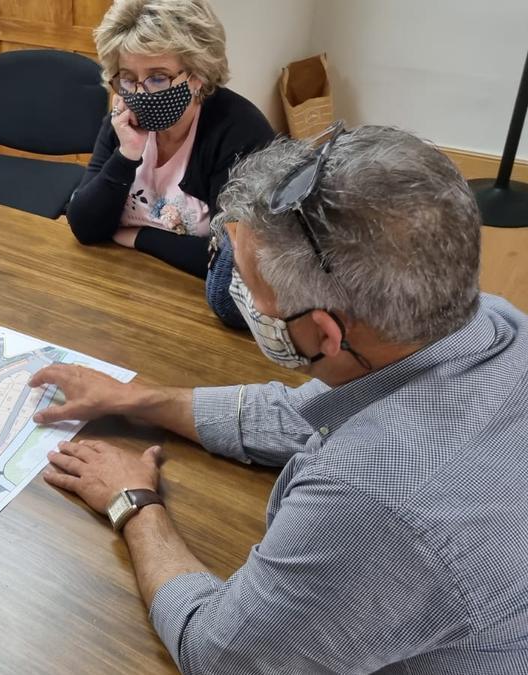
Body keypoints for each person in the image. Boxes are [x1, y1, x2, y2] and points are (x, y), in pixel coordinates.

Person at [32, 126, 528, 672]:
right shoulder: (486, 318)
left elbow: (220, 654)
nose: (242, 299)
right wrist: (135, 399)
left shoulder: (370, 500)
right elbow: (301, 414)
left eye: (249, 289)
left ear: (325, 334)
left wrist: (135, 503)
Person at [67, 0, 273, 328]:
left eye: (158, 78)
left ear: (198, 76)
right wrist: (126, 155)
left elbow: (232, 266)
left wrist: (138, 237)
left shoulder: (240, 132)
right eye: (128, 79)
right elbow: (84, 225)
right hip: (117, 294)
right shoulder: (123, 120)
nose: (140, 92)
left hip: (197, 315)